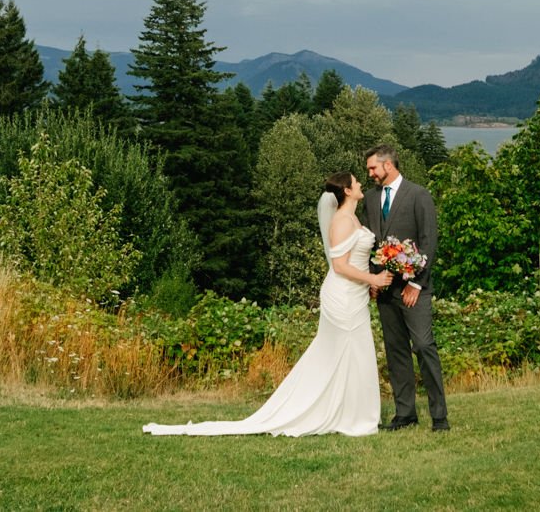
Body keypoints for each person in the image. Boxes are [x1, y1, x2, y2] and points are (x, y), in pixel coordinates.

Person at [142, 172, 393, 437]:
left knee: (355, 353)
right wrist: (372, 278)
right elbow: (341, 266)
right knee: (341, 352)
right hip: (342, 296)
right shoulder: (342, 221)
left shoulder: (353, 217)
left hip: (355, 295)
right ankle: (336, 414)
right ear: (347, 190)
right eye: (356, 182)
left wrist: (369, 284)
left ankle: (351, 413)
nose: (360, 183)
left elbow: (355, 259)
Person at [364, 144, 449, 432]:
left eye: (373, 168)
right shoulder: (371, 199)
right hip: (385, 291)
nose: (371, 174)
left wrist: (415, 283)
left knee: (424, 346)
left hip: (414, 290)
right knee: (395, 351)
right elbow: (372, 244)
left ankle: (439, 416)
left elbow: (429, 242)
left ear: (388, 165)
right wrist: (372, 280)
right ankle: (405, 414)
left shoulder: (419, 195)